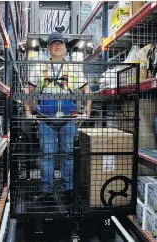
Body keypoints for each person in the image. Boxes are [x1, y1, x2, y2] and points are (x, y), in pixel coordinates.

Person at [24, 31, 92, 203]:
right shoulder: (39, 68)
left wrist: (87, 111)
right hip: (46, 120)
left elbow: (86, 90)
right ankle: (46, 191)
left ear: (65, 48)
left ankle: (68, 189)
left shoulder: (73, 68)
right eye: (53, 43)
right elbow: (28, 90)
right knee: (47, 155)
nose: (57, 45)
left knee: (68, 154)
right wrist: (27, 111)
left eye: (60, 43)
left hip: (68, 119)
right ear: (48, 48)